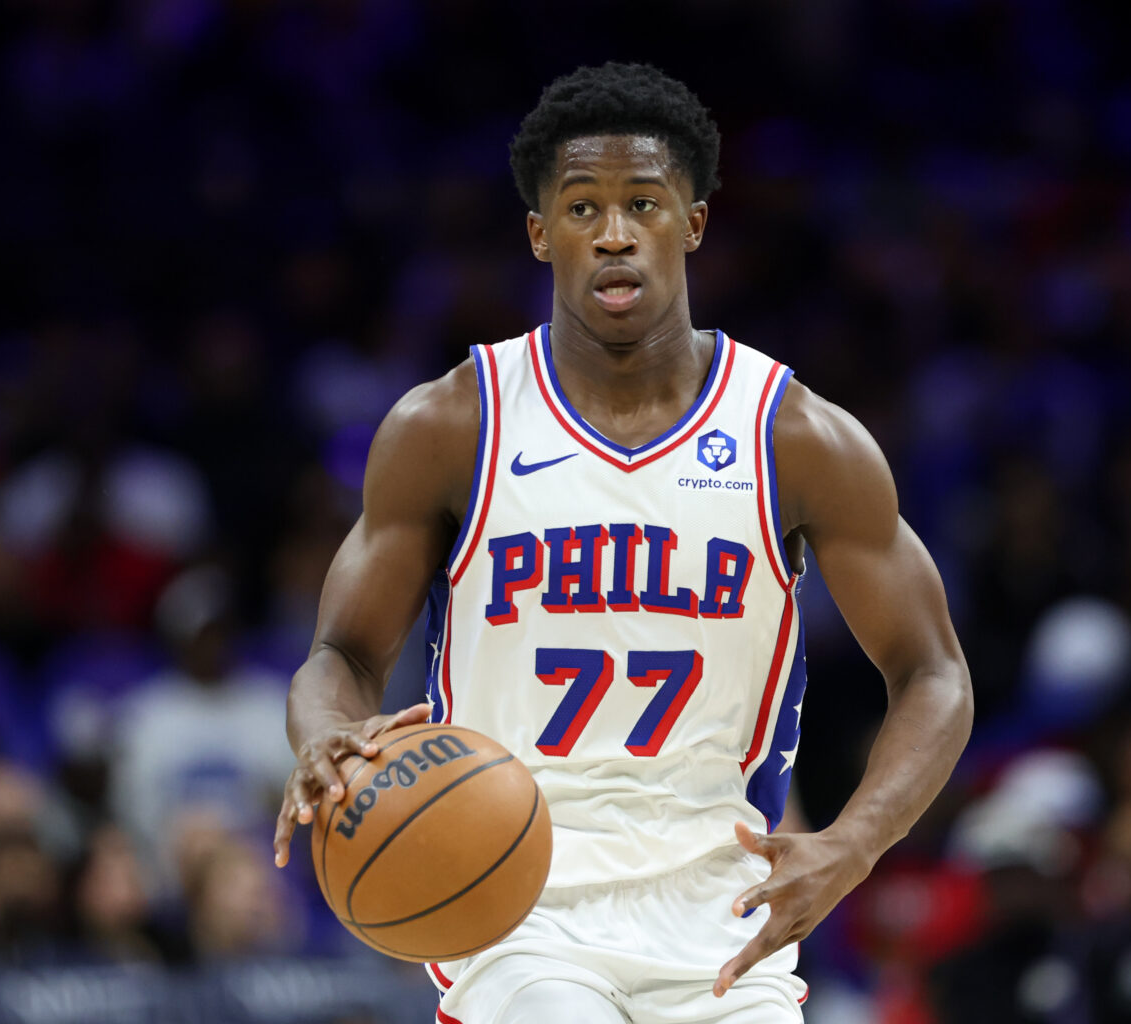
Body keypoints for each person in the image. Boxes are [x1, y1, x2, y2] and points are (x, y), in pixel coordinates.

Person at [272, 62, 973, 1022]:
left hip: (726, 910)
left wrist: (856, 842)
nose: (613, 233)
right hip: (514, 897)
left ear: (691, 222)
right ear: (538, 232)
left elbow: (934, 674)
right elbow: (342, 654)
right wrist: (326, 740)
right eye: (581, 207)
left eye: (643, 203)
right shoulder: (453, 425)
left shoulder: (795, 436)